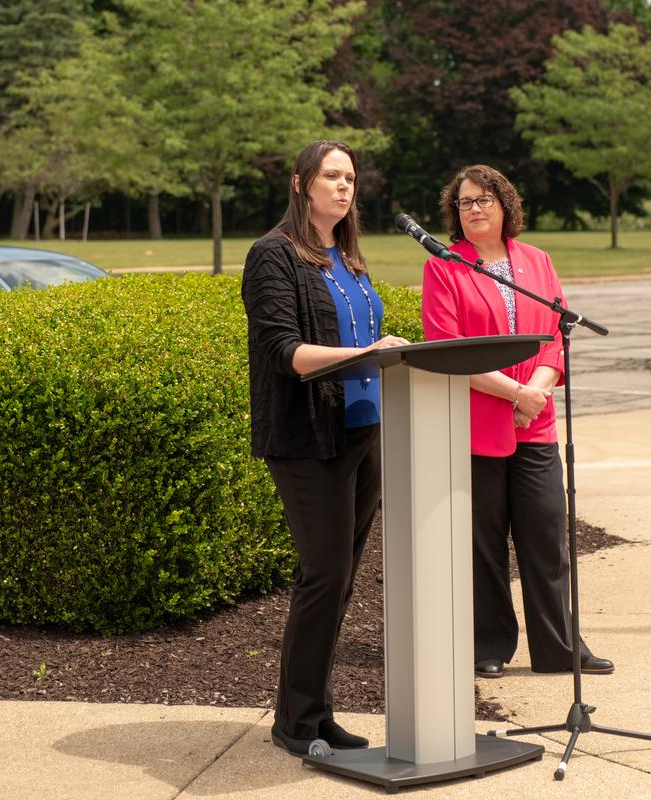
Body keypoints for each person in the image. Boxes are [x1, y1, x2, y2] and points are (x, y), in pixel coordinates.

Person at [241, 140, 408, 756]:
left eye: (350, 178)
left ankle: (313, 711)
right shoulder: (273, 256)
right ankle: (296, 724)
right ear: (301, 184)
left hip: (363, 434)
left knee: (339, 581)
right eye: (331, 176)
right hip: (307, 439)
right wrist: (369, 355)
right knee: (325, 574)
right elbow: (285, 353)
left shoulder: (349, 256)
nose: (344, 186)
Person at [420, 164, 613, 679]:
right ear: (454, 213)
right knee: (484, 544)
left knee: (547, 537)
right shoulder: (445, 266)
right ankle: (489, 646)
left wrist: (535, 393)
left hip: (537, 422)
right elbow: (447, 347)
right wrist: (514, 393)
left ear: (504, 204)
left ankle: (559, 647)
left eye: (484, 198)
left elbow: (555, 335)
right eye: (464, 202)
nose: (475, 208)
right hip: (478, 426)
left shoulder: (537, 261)